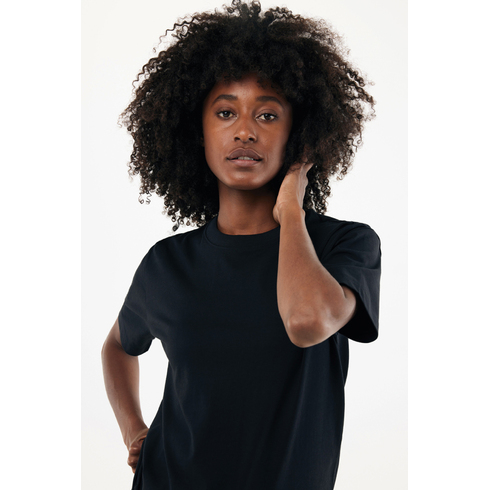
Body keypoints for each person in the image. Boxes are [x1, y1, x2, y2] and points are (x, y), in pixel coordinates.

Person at [101, 1, 381, 489]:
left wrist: (290, 211)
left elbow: (307, 321)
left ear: (300, 135)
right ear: (199, 131)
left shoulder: (344, 245)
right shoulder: (168, 263)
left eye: (268, 115)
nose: (245, 130)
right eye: (226, 112)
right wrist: (134, 431)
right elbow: (118, 346)